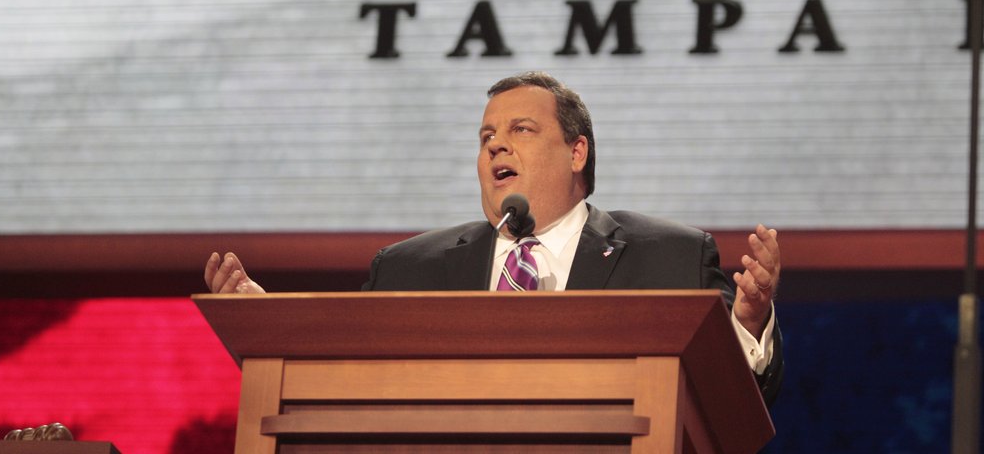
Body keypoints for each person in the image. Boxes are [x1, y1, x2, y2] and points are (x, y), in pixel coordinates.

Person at [204, 71, 783, 404]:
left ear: (576, 151)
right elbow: (352, 387)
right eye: (486, 136)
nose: (495, 146)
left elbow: (733, 406)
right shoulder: (407, 271)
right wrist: (276, 334)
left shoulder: (671, 256)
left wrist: (749, 324)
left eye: (520, 130)